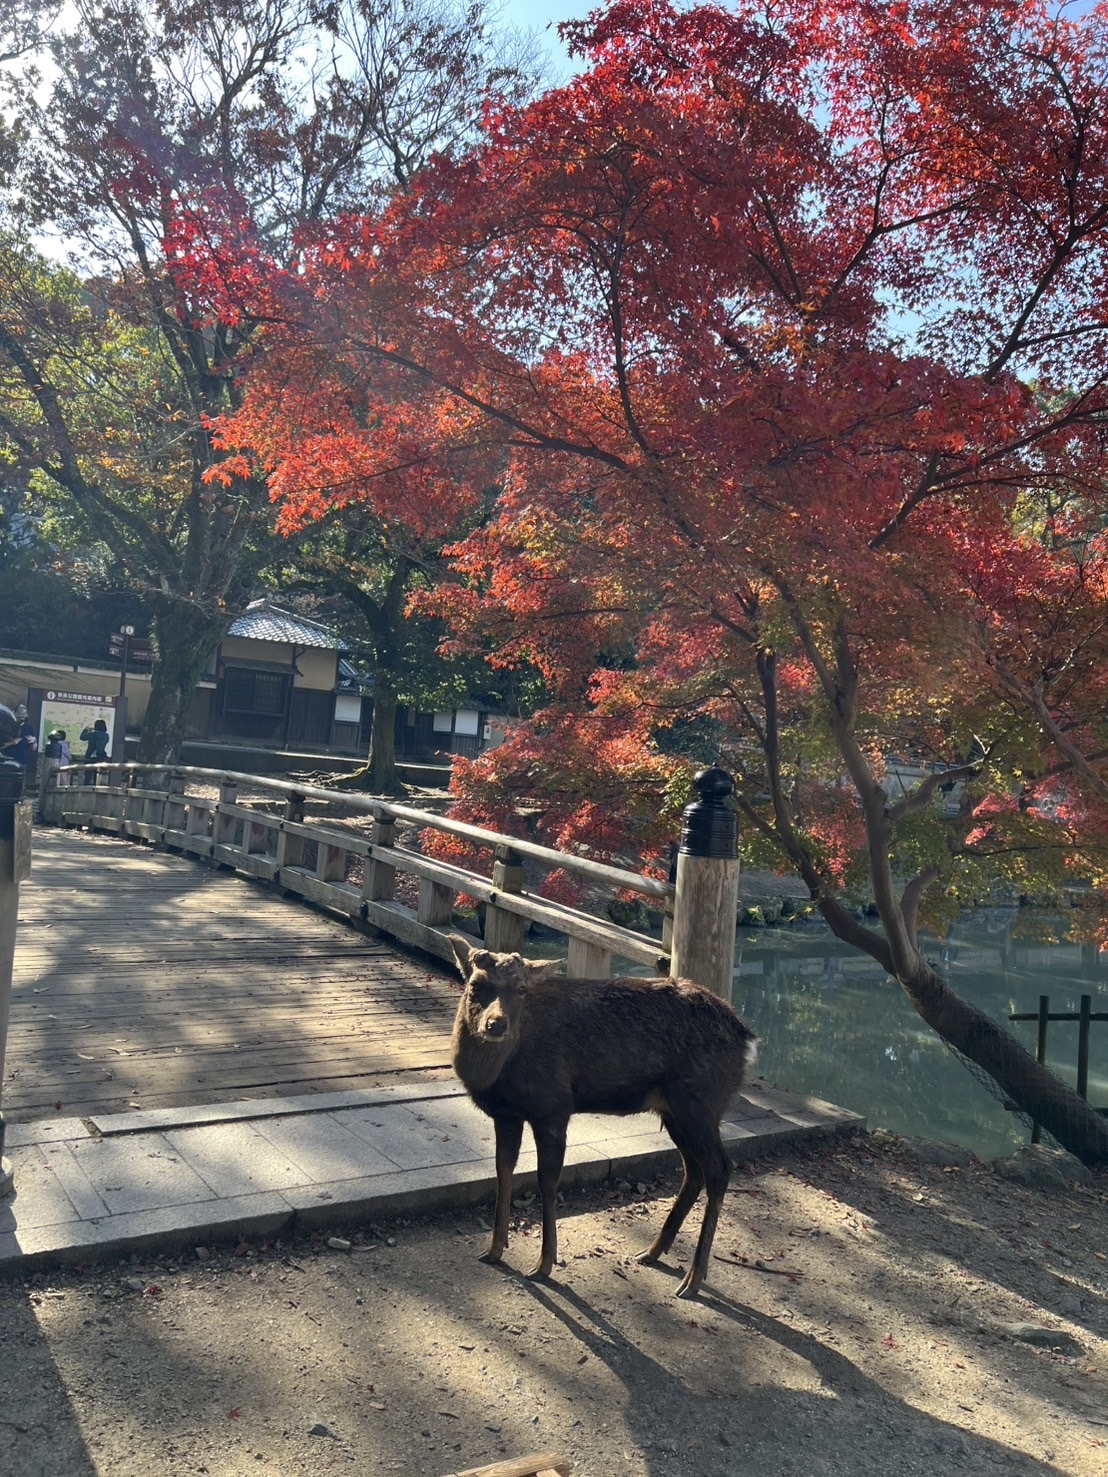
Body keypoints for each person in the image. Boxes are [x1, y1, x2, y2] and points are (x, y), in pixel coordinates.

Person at [80, 718, 110, 783]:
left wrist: (86, 729)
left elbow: (82, 737)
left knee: (88, 775)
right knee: (97, 774)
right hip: (100, 756)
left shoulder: (93, 734)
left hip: (90, 756)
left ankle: (86, 788)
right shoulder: (106, 736)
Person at [11, 703, 37, 778]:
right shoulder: (8, 725)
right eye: (20, 712)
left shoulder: (30, 728)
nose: (22, 715)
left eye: (24, 713)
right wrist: (12, 742)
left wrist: (33, 742)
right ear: (14, 712)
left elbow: (34, 748)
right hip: (7, 759)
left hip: (22, 761)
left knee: (19, 782)